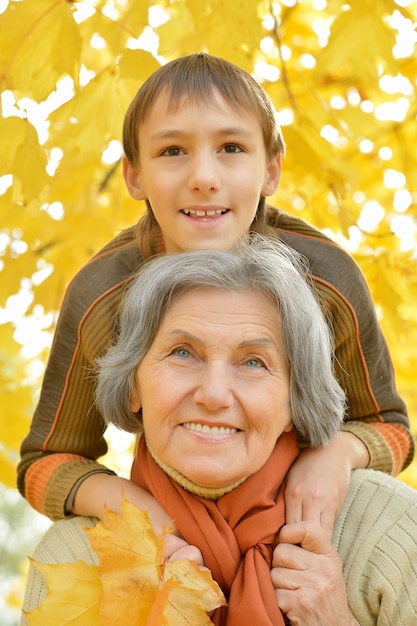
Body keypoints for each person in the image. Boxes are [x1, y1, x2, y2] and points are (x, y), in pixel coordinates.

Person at [17, 53, 413, 542]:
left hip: (304, 520)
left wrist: (333, 457)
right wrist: (138, 508)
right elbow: (45, 461)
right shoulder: (101, 295)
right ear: (134, 175)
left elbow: (390, 427)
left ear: (270, 171)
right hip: (171, 505)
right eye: (172, 151)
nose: (204, 177)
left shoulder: (327, 279)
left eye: (230, 146)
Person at [22, 239, 417, 625]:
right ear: (133, 388)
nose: (213, 394)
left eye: (253, 362)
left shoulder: (387, 528)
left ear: (297, 401)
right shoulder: (76, 556)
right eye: (182, 353)